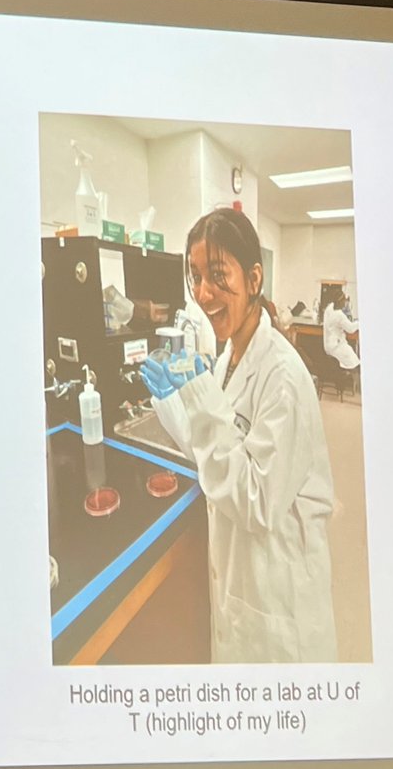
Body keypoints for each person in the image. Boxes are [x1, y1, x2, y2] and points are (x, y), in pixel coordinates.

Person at [139, 208, 337, 663]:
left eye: (217, 274)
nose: (202, 292)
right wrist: (173, 401)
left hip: (279, 594)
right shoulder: (230, 356)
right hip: (242, 580)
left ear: (253, 279)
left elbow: (256, 501)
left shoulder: (283, 377)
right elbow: (215, 452)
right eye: (195, 277)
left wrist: (201, 396)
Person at [320, 284, 360, 371]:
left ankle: (345, 374)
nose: (345, 303)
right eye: (344, 301)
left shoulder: (329, 308)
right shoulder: (339, 315)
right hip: (337, 347)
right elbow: (350, 329)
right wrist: (360, 323)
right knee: (355, 365)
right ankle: (353, 376)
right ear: (340, 301)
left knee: (350, 354)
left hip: (328, 346)